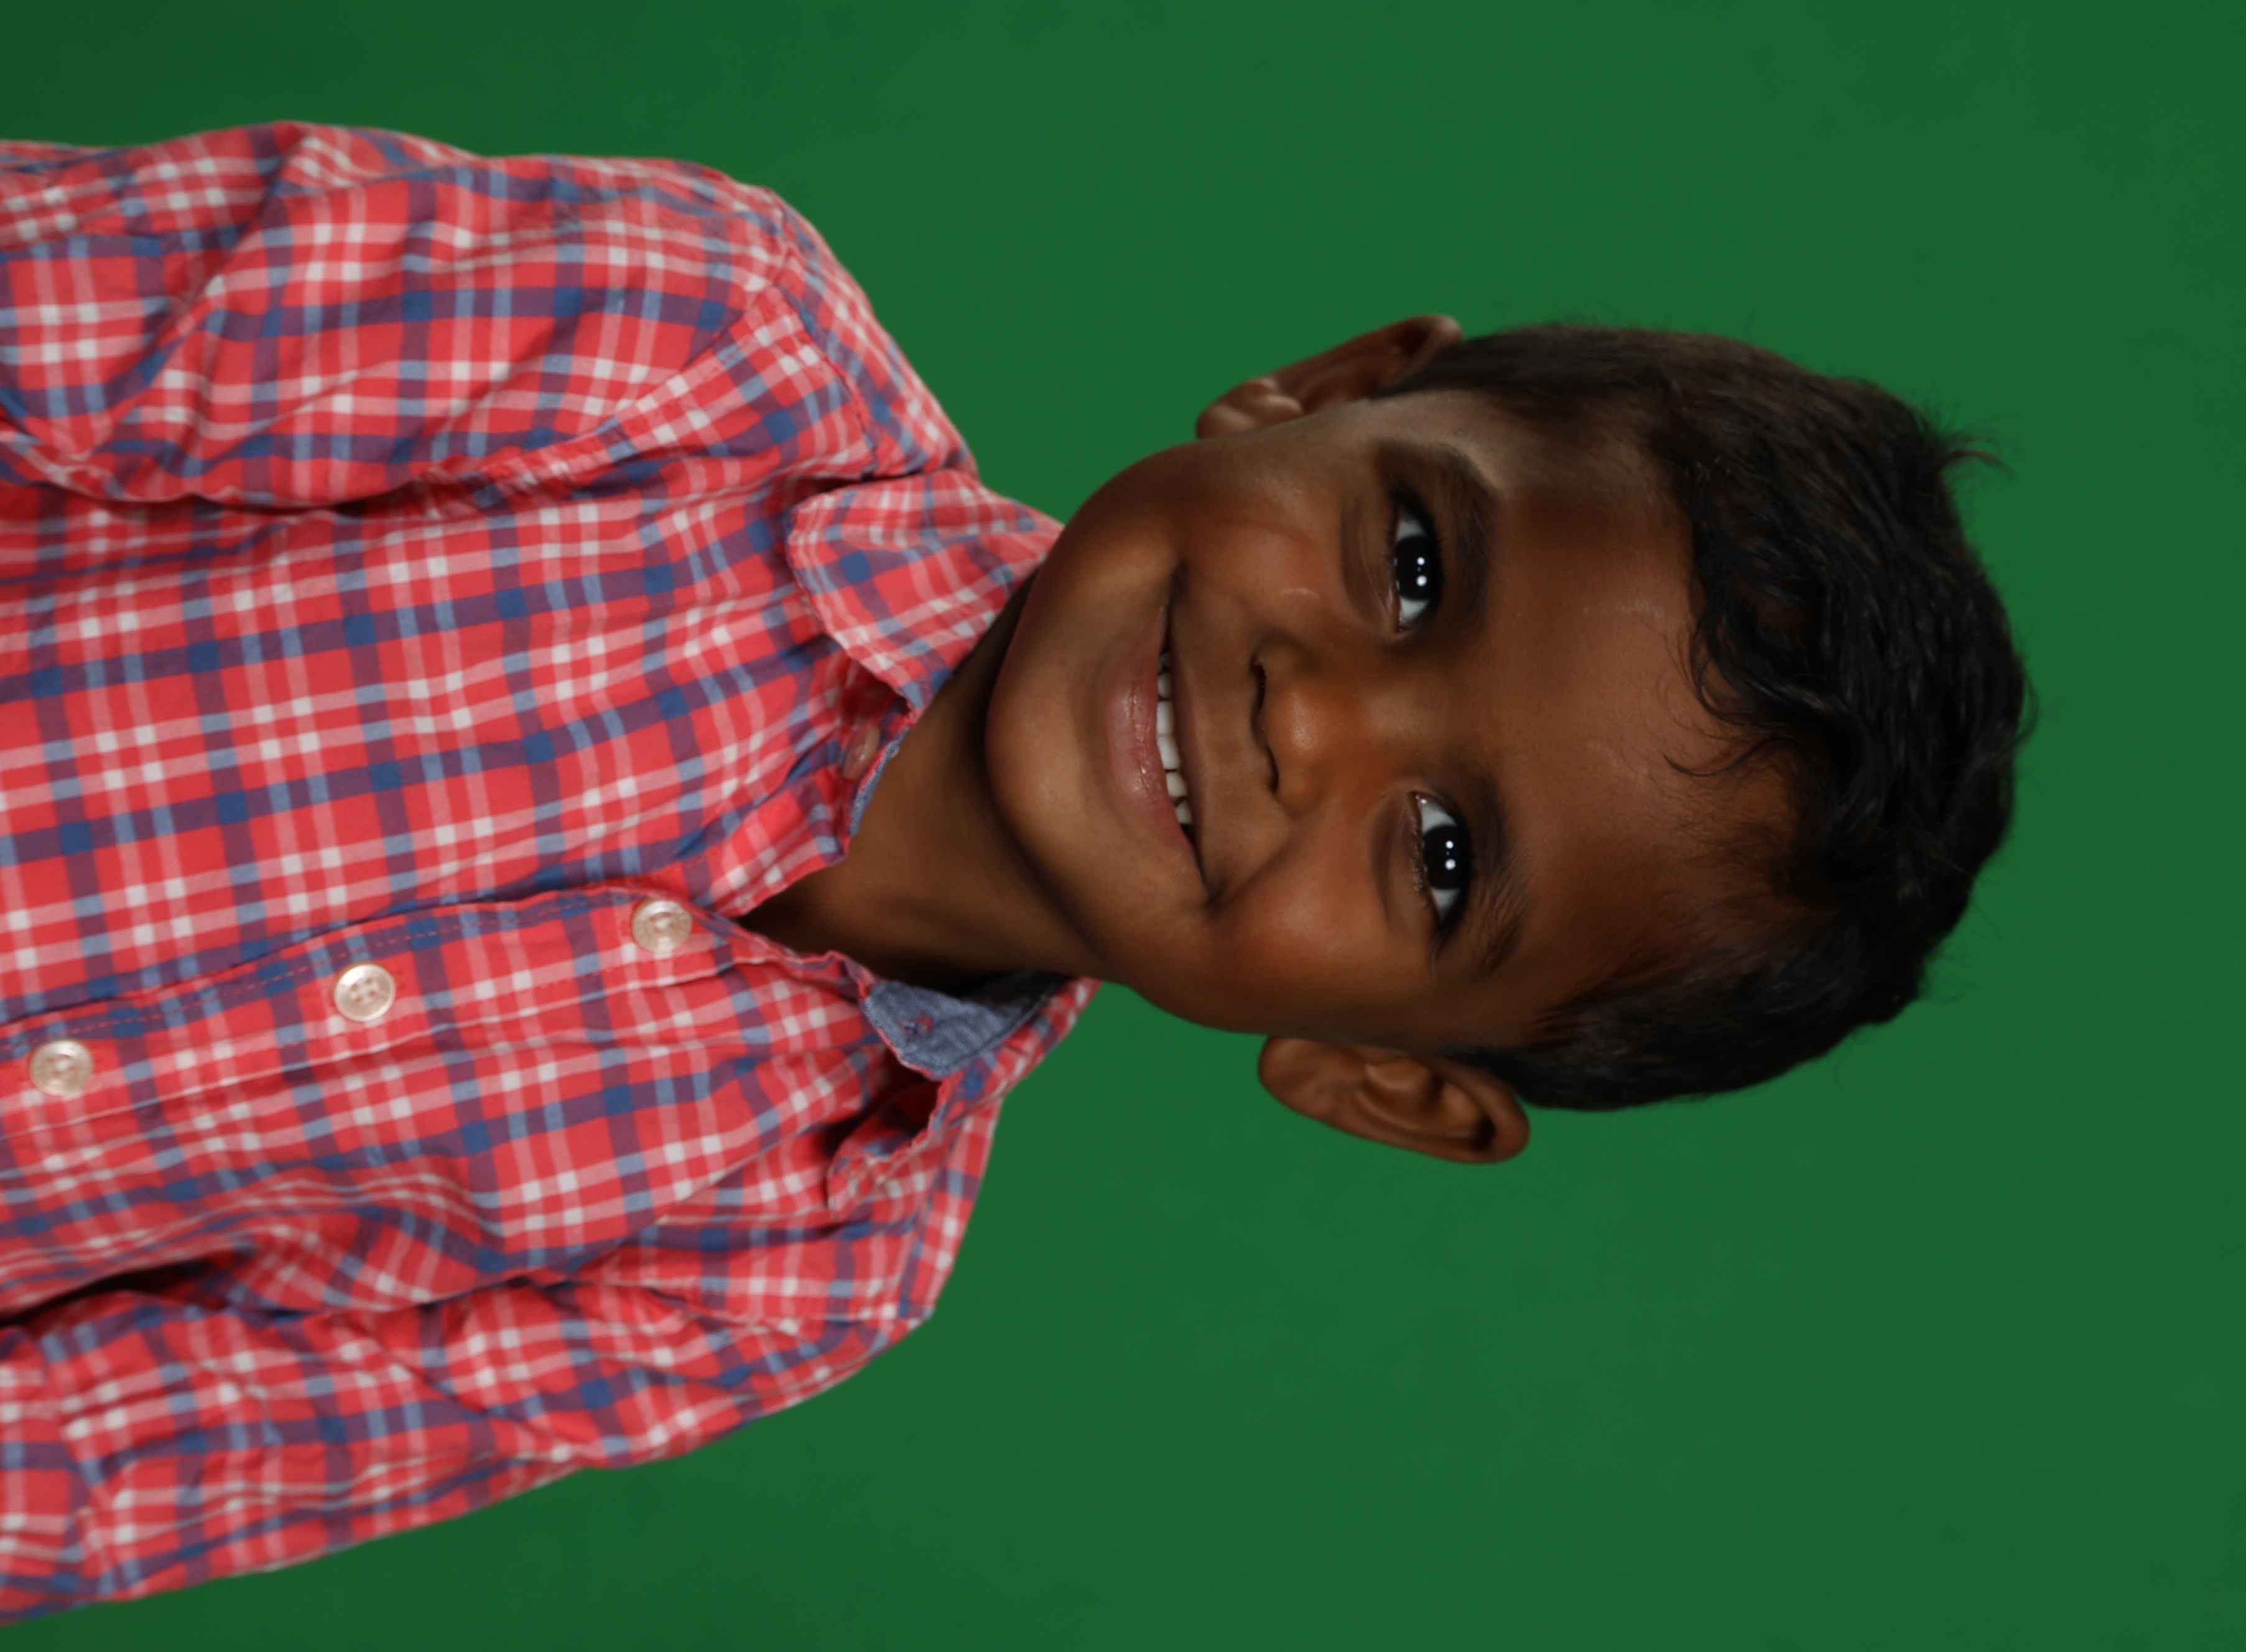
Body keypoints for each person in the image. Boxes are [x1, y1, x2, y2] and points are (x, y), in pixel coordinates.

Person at [0, 123, 2025, 1618]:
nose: (1313, 719)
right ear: (1324, 391)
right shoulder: (695, 349)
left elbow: (109, 1466)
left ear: (1383, 1079)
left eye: (1439, 858)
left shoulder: (795, 1274)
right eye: (1413, 565)